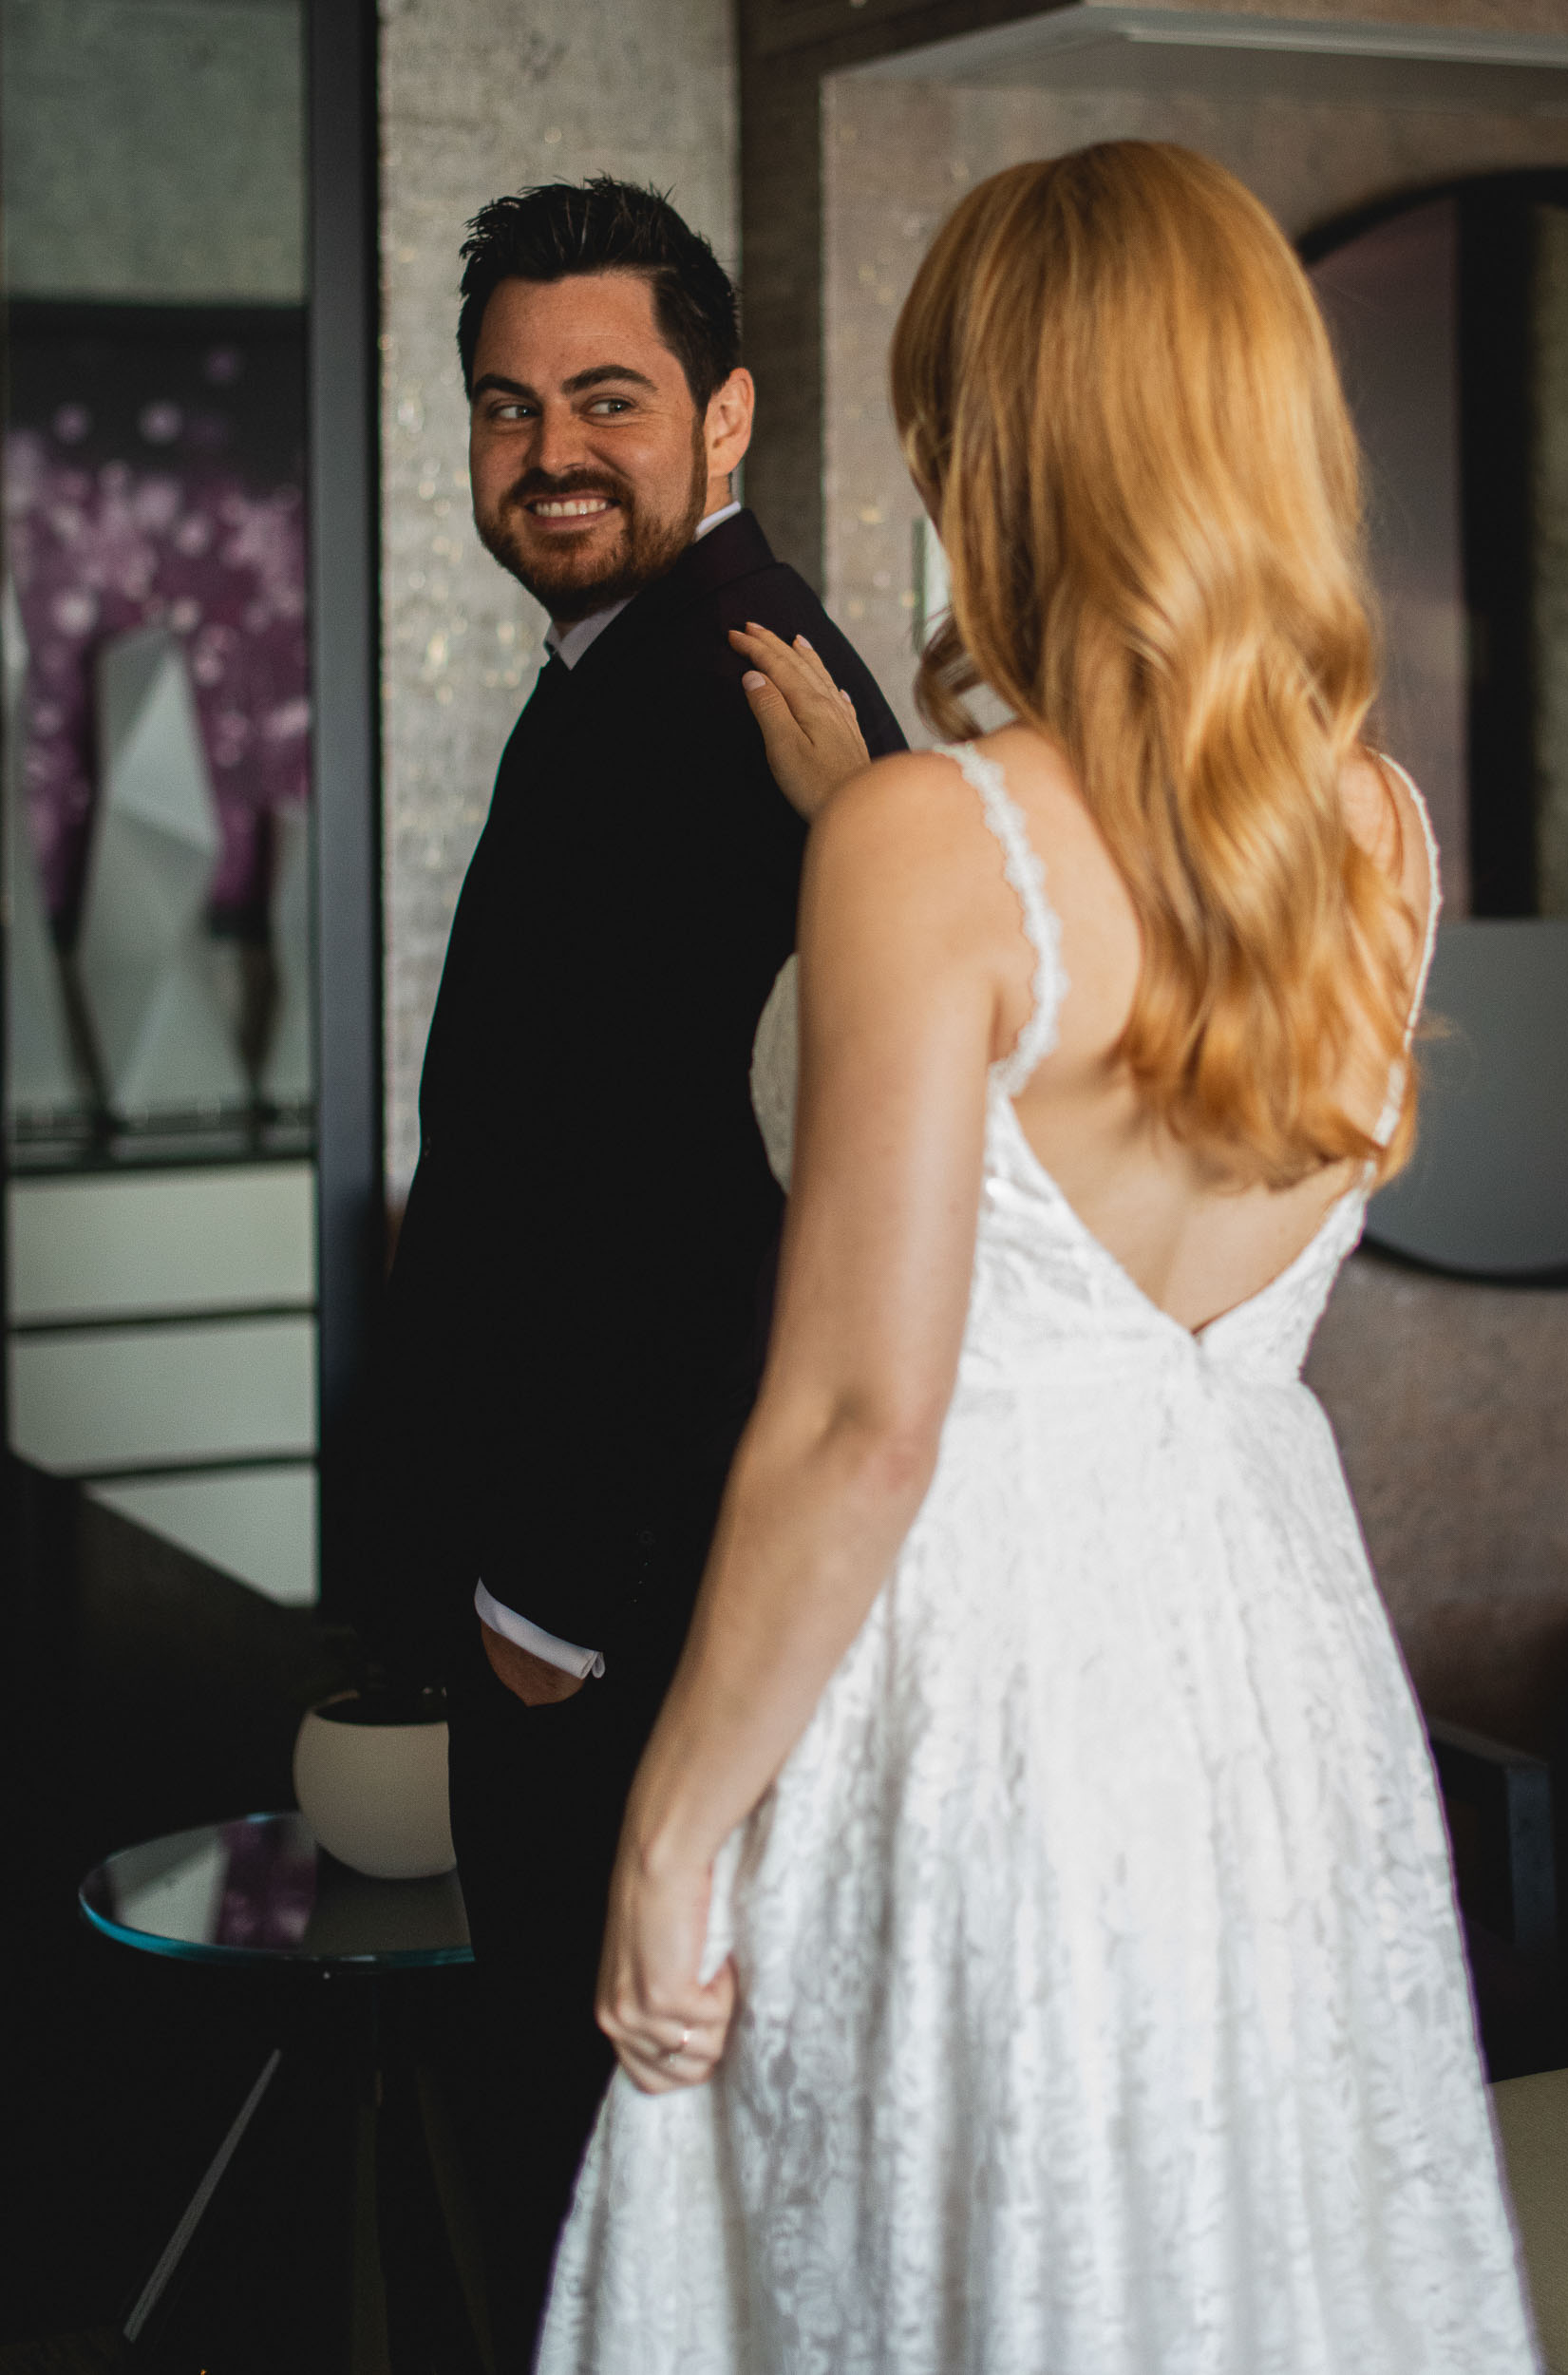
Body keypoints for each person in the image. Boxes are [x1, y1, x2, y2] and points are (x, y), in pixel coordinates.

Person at [534, 145, 1538, 2372]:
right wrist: (867, 836)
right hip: (1267, 1679)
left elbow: (861, 1425)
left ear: (995, 448)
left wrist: (670, 1827)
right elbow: (1129, 1055)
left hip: (988, 1690)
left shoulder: (937, 844)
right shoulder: (1376, 834)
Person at [365, 176, 907, 2365]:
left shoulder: (728, 680)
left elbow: (689, 1183)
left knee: (595, 2183)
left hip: (623, 1596)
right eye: (509, 408)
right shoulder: (650, 654)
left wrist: (549, 1598)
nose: (552, 453)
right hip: (596, 1573)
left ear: (727, 414)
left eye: (607, 397)